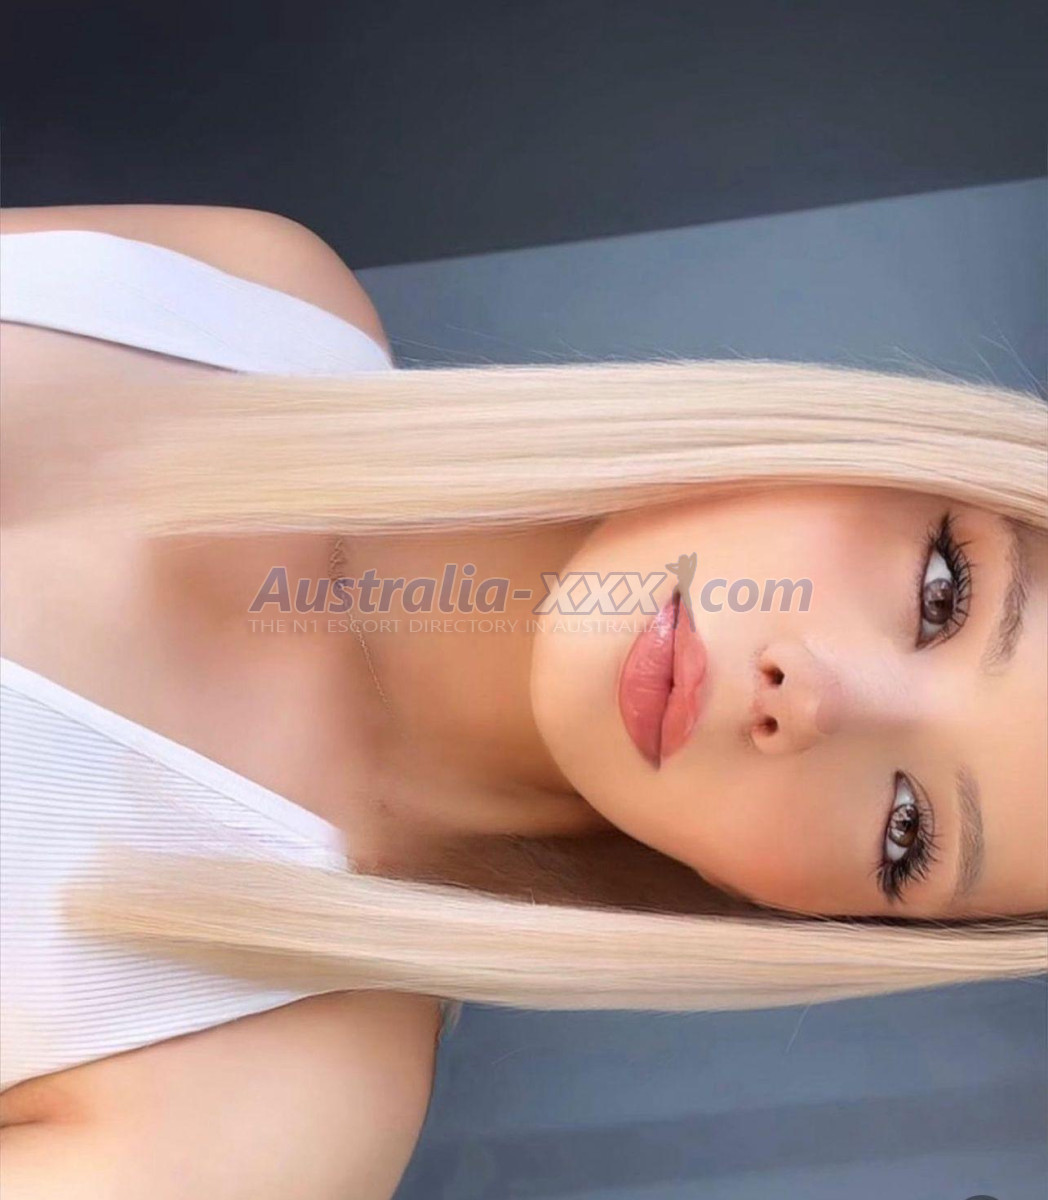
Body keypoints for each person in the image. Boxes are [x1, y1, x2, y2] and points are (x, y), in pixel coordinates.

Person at [1, 203, 1044, 1199]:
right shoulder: (248, 291)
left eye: (908, 829)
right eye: (942, 594)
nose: (808, 701)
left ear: (825, 920)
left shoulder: (266, 1117)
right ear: (897, 455)